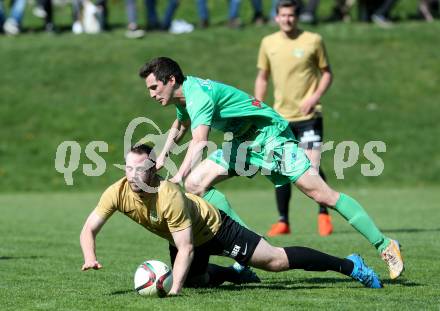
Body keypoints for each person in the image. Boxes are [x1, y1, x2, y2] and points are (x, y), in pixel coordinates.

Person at [138, 56, 405, 281]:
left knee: (321, 194)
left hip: (270, 137)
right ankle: (249, 244)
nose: (151, 94)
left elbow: (199, 142)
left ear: (171, 80)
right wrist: (161, 158)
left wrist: (176, 175)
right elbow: (181, 126)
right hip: (245, 142)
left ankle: (384, 245)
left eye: (153, 87)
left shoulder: (198, 97)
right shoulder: (185, 98)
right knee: (196, 183)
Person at [80, 144, 383, 295]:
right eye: (128, 169)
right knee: (196, 282)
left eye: (138, 169)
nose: (131, 175)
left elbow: (185, 249)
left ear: (153, 169)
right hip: (186, 238)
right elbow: (89, 228)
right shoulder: (117, 192)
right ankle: (236, 274)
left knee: (275, 261)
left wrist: (172, 294)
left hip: (217, 229)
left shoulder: (168, 195)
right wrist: (90, 256)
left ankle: (349, 264)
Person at [255, 0, 333, 237]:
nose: (287, 19)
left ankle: (323, 214)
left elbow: (327, 73)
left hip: (309, 117)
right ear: (276, 17)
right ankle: (283, 221)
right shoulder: (268, 43)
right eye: (283, 15)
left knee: (311, 166)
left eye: (291, 15)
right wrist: (257, 106)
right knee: (280, 168)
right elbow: (263, 76)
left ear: (296, 17)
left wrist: (315, 96)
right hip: (280, 119)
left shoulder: (313, 40)